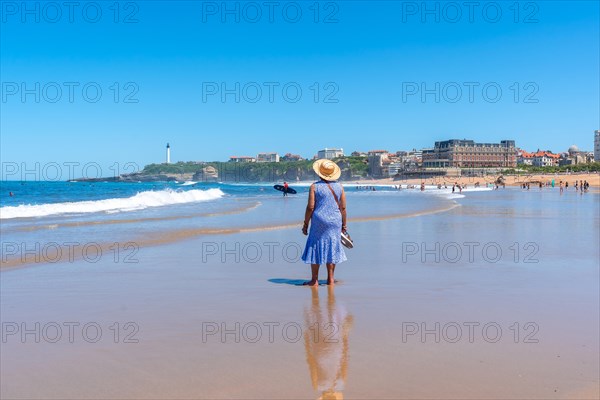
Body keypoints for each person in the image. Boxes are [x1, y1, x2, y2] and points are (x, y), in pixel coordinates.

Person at [302, 159, 347, 286]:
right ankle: (331, 279)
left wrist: (305, 224)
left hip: (319, 220)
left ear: (319, 173)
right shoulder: (339, 186)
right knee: (332, 246)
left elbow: (310, 207)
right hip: (335, 221)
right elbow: (343, 208)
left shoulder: (315, 186)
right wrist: (344, 224)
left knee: (316, 246)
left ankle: (314, 280)